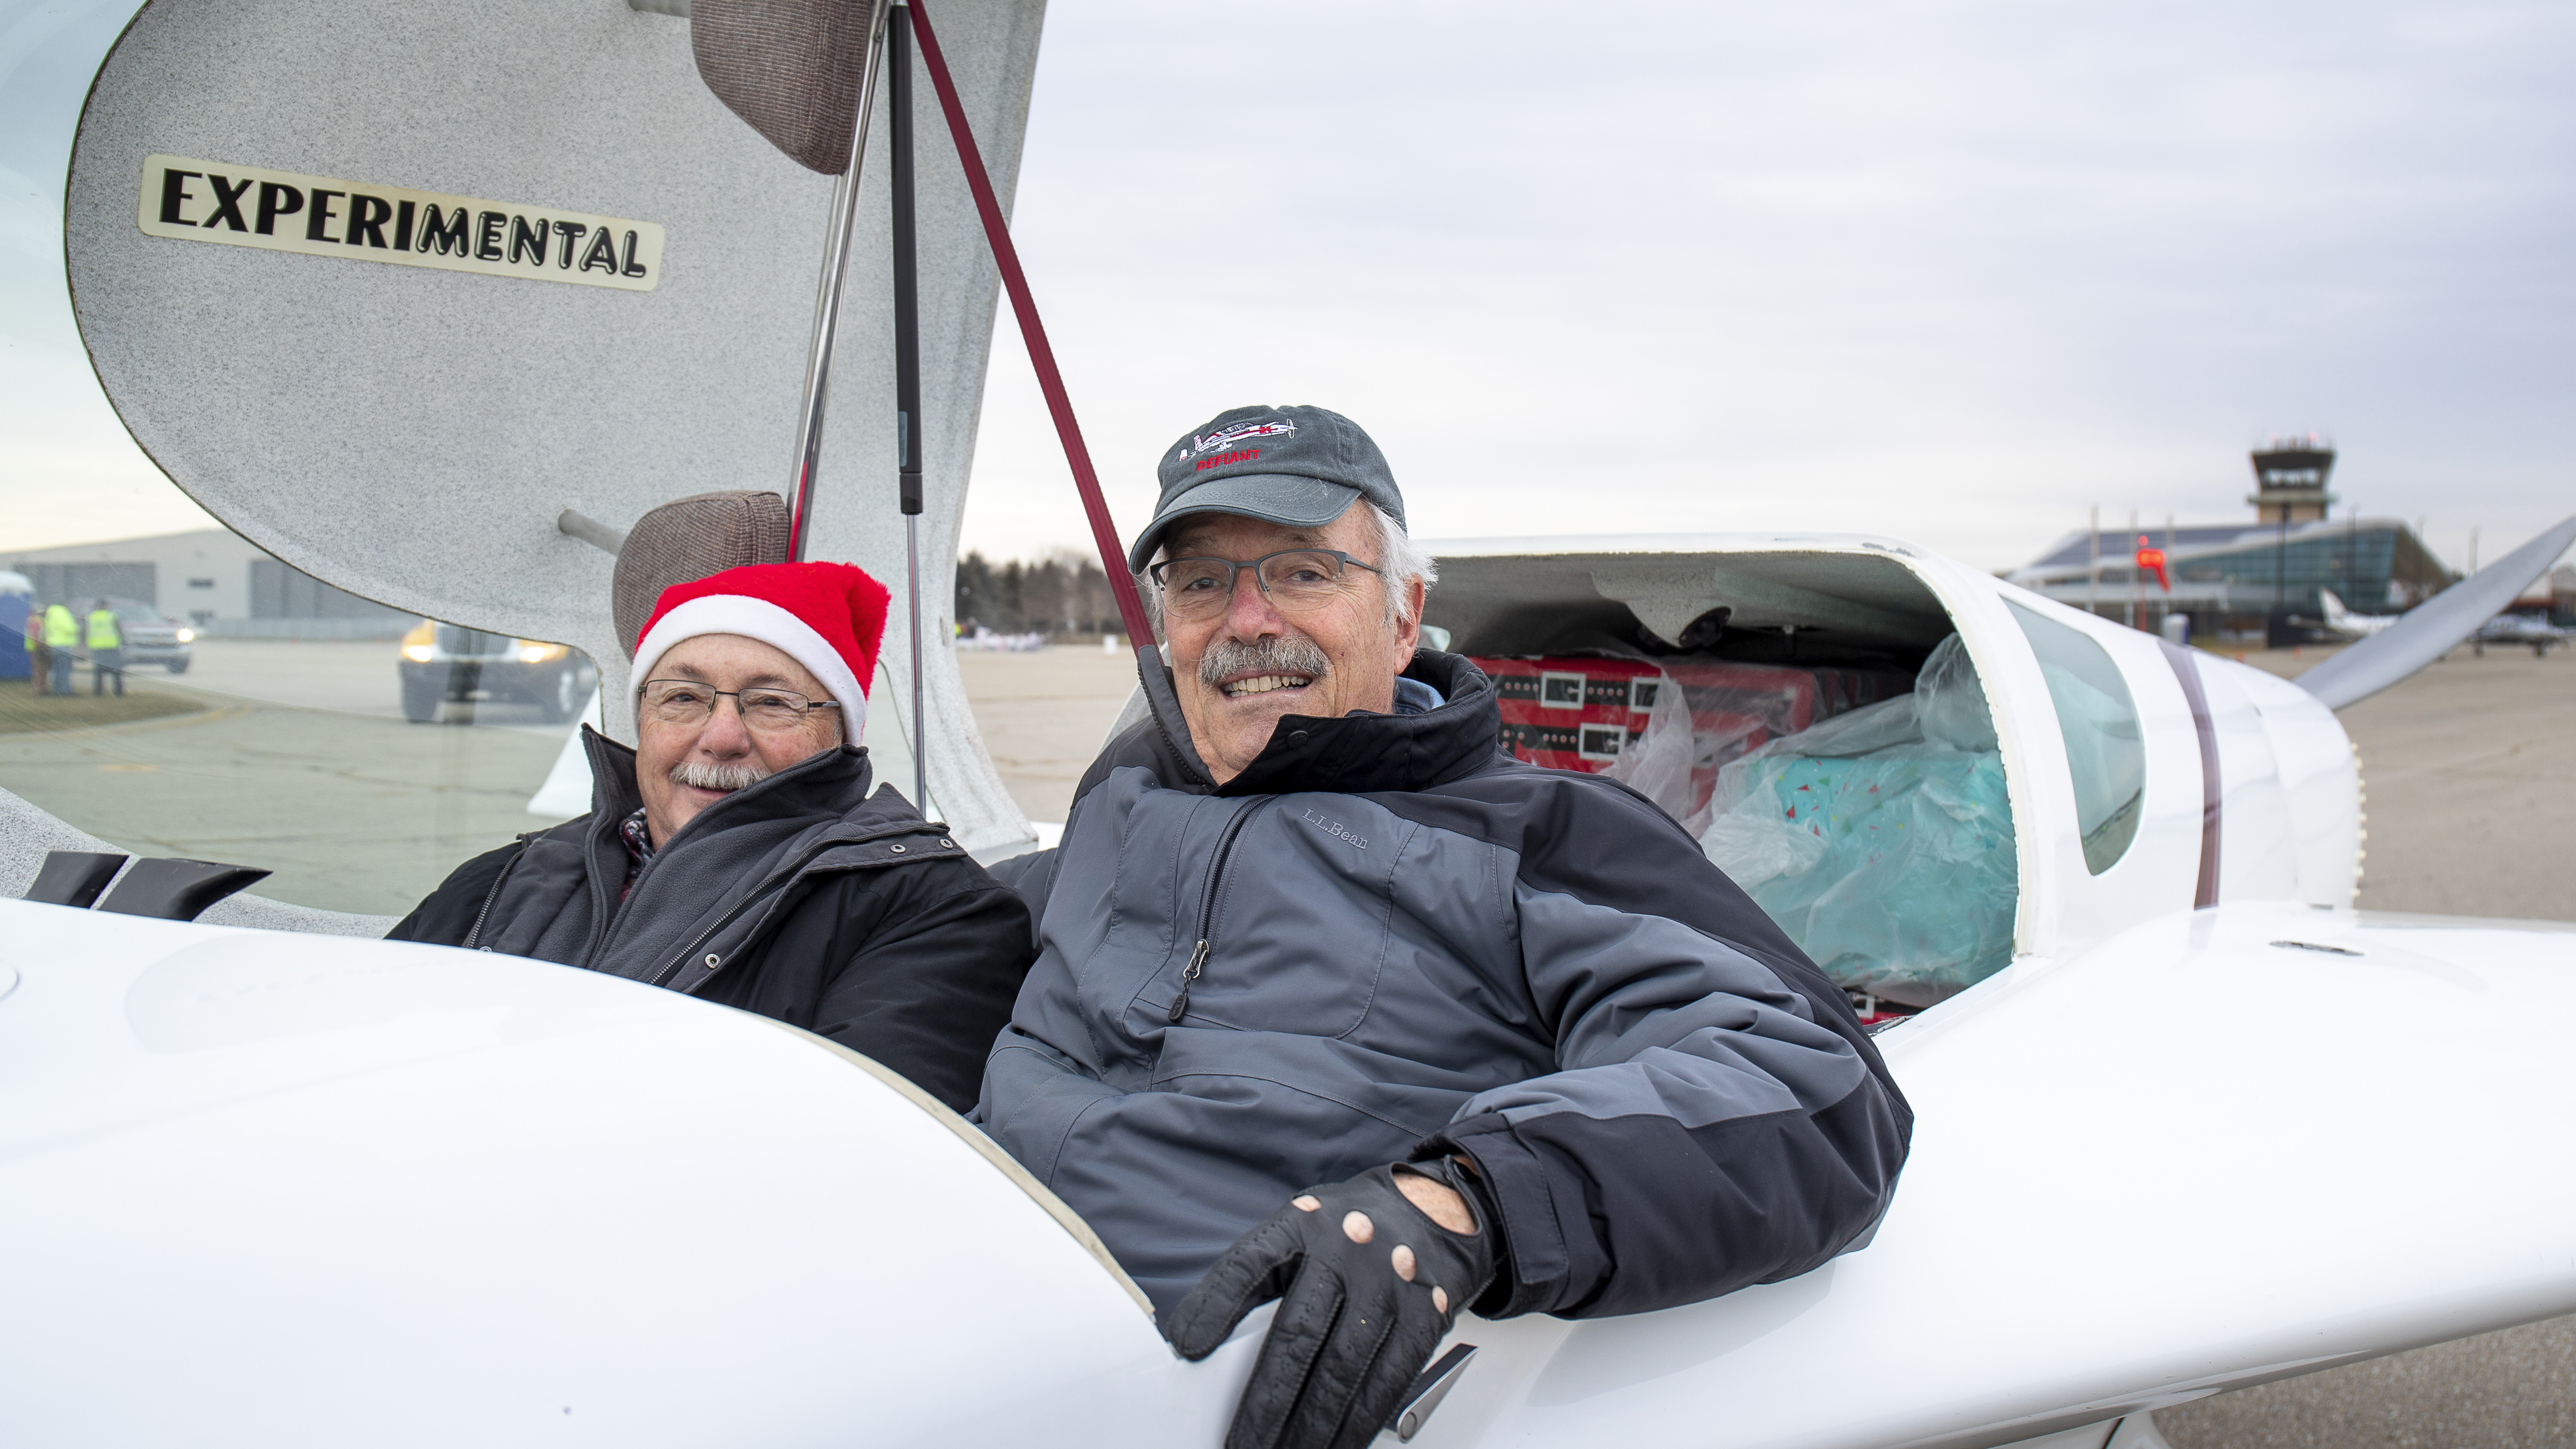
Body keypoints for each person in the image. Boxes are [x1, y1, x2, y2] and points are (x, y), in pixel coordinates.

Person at [980, 405, 1912, 1449]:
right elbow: (959, 938)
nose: (1245, 620)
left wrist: (1470, 1199)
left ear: (1403, 614)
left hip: (1211, 1392)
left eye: (1302, 571)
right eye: (1201, 583)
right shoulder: (1128, 793)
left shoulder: (1543, 837)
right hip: (954, 1304)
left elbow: (1812, 1087)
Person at [388, 562, 1034, 1112]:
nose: (721, 737)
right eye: (683, 697)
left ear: (841, 736)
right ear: (642, 719)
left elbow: (852, 1149)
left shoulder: (935, 913)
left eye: (772, 702)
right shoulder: (504, 880)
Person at [85, 599, 125, 697]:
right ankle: (118, 692)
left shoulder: (91, 617)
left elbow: (86, 631)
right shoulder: (111, 616)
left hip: (97, 647)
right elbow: (119, 630)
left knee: (99, 671)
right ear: (105, 606)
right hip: (112, 646)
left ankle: (98, 692)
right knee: (115, 670)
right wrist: (123, 641)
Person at [42, 601, 78, 696]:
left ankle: (56, 690)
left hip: (53, 645)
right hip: (64, 645)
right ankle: (64, 691)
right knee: (64, 669)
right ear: (65, 605)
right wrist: (77, 627)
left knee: (56, 669)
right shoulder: (63, 613)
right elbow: (69, 629)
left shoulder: (51, 613)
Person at [26, 599, 51, 696]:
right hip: (38, 647)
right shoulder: (37, 620)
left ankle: (40, 688)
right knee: (40, 669)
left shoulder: (32, 619)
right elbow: (36, 635)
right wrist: (39, 645)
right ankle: (40, 689)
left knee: (38, 669)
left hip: (34, 647)